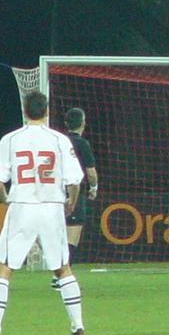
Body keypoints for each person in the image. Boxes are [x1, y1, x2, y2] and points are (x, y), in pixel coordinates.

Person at [0, 91, 86, 335]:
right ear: (46, 111)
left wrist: (6, 200)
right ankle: (78, 327)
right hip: (51, 206)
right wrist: (71, 201)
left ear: (24, 110)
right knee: (63, 268)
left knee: (4, 267)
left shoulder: (10, 139)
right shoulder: (60, 140)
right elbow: (74, 180)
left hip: (22, 205)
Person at [54, 108, 99, 287]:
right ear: (83, 123)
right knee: (72, 236)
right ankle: (60, 276)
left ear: (66, 124)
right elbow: (90, 171)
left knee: (59, 236)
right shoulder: (81, 144)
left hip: (55, 192)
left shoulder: (59, 142)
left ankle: (59, 273)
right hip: (73, 191)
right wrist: (94, 187)